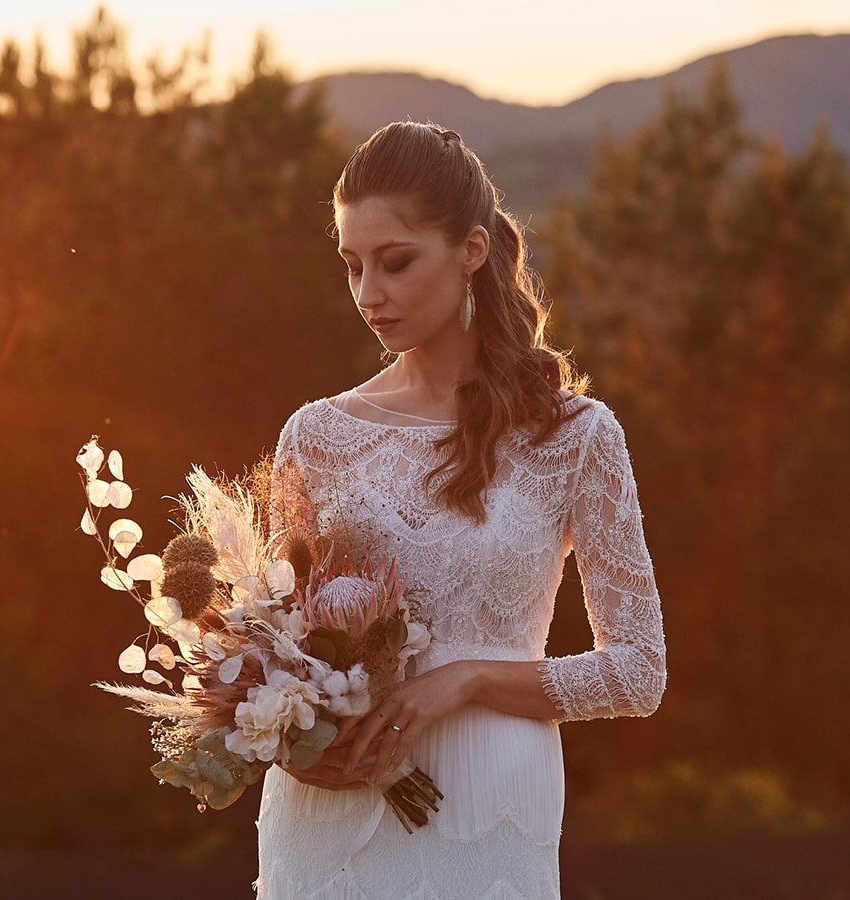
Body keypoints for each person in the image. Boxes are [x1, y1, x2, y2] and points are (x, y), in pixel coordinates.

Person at [257, 121, 666, 899]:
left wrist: (470, 678)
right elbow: (274, 646)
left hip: (488, 801)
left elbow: (638, 673)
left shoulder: (578, 436)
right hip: (330, 822)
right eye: (352, 266)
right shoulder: (316, 436)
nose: (369, 293)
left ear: (472, 250)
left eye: (396, 261)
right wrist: (291, 743)